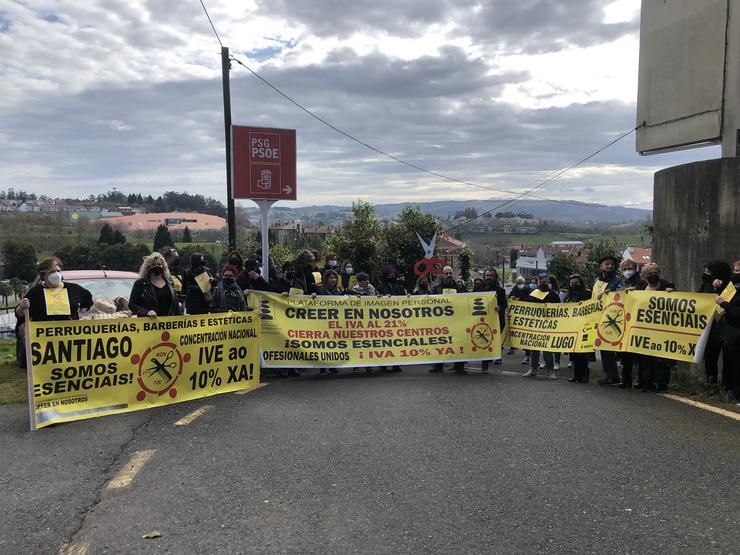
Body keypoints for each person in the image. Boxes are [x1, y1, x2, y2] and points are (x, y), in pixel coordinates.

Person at [636, 263, 675, 392]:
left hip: (662, 329)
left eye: (655, 274)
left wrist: (672, 294)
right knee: (645, 358)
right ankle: (647, 383)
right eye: (650, 274)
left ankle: (662, 384)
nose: (653, 276)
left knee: (662, 358)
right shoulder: (641, 287)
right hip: (645, 329)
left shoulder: (667, 286)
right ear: (644, 276)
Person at [16, 256, 93, 322]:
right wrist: (21, 307)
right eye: (52, 271)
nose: (56, 274)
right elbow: (20, 314)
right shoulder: (35, 292)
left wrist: (80, 314)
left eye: (58, 271)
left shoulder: (74, 288)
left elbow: (88, 299)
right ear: (43, 274)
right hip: (44, 335)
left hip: (70, 334)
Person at [522, 271, 560, 379]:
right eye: (541, 280)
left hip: (548, 325)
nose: (543, 282)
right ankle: (532, 369)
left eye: (545, 280)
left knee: (547, 350)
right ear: (538, 281)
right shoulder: (533, 293)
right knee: (534, 349)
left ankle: (550, 371)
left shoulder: (553, 295)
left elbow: (559, 309)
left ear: (548, 281)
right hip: (535, 325)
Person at [430, 266, 468, 374]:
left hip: (457, 321)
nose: (449, 275)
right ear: (442, 275)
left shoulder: (459, 287)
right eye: (446, 273)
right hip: (441, 321)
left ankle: (459, 366)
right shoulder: (437, 288)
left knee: (458, 342)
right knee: (440, 343)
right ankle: (438, 366)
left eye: (450, 273)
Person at [700, 260, 732, 384]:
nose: (706, 275)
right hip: (710, 326)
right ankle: (711, 380)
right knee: (710, 356)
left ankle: (727, 384)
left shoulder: (730, 287)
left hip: (726, 326)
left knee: (728, 358)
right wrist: (709, 284)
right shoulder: (706, 284)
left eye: (709, 273)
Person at [595, 254, 624, 385]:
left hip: (613, 317)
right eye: (607, 264)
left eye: (612, 264)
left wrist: (609, 294)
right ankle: (608, 375)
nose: (610, 266)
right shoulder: (597, 281)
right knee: (603, 347)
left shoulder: (618, 281)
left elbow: (622, 296)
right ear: (601, 266)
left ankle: (614, 376)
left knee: (610, 347)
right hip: (600, 317)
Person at [714, 259, 740, 404]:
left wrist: (723, 303)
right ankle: (728, 391)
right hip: (730, 333)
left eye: (737, 272)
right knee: (729, 363)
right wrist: (718, 286)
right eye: (735, 271)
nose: (735, 274)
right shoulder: (732, 285)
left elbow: (735, 310)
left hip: (737, 330)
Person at [618, 259, 646, 387]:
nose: (627, 271)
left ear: (635, 269)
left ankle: (641, 380)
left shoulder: (642, 283)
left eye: (629, 268)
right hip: (625, 322)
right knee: (626, 354)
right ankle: (626, 380)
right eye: (624, 269)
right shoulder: (622, 283)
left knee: (639, 355)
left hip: (638, 322)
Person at [129, 252, 179, 317]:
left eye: (159, 264)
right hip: (148, 323)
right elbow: (132, 304)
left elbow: (175, 304)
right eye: (153, 264)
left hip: (168, 323)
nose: (156, 266)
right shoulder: (140, 283)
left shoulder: (170, 283)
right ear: (148, 267)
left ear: (163, 266)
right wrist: (146, 312)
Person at [564, 274, 591, 383]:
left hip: (585, 327)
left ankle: (584, 376)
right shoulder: (568, 297)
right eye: (572, 283)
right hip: (572, 328)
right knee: (574, 354)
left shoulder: (587, 293)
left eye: (576, 283)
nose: (574, 285)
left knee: (583, 354)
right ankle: (576, 375)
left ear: (581, 283)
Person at [479, 268, 507, 371]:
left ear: (495, 277)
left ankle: (496, 356)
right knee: (483, 341)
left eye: (491, 276)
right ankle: (485, 364)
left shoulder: (501, 291)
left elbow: (504, 304)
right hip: (481, 320)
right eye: (487, 276)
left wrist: (500, 307)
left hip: (496, 321)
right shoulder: (478, 288)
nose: (489, 278)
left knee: (494, 340)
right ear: (484, 277)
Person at [508, 276, 530, 360]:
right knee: (514, 331)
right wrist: (511, 298)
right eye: (518, 283)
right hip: (516, 314)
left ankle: (527, 354)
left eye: (521, 283)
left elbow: (529, 299)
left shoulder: (527, 289)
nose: (519, 285)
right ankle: (512, 348)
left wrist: (520, 299)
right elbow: (509, 297)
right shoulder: (514, 288)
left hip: (525, 314)